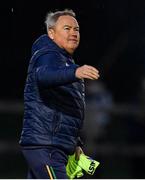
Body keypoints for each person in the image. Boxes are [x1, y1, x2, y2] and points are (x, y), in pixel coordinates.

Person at [19, 9, 100, 179]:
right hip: (46, 146)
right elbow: (43, 76)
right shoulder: (48, 54)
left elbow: (63, 106)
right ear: (51, 33)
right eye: (67, 28)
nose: (73, 33)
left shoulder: (64, 61)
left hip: (54, 147)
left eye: (76, 29)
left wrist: (74, 143)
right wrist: (75, 72)